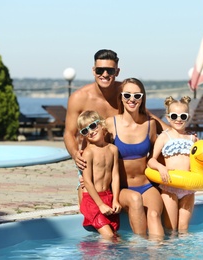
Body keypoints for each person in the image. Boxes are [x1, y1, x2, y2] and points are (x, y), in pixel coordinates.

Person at [63, 49, 168, 202]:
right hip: (93, 163)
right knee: (91, 211)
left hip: (119, 165)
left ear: (117, 71)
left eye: (110, 70)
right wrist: (75, 154)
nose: (105, 74)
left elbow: (149, 118)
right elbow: (69, 133)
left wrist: (180, 133)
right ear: (93, 71)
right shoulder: (79, 98)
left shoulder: (125, 93)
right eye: (100, 70)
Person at [105, 78, 165, 239]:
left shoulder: (150, 124)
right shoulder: (111, 124)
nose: (132, 99)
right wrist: (84, 179)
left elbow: (161, 150)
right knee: (135, 199)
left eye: (137, 95)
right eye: (127, 95)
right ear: (121, 97)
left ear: (142, 98)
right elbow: (96, 152)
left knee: (153, 215)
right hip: (123, 189)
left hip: (146, 185)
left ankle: (159, 253)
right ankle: (140, 250)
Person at [147, 96, 203, 232]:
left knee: (184, 228)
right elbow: (151, 160)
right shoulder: (164, 137)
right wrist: (160, 167)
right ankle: (171, 252)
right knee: (171, 228)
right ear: (168, 118)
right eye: (174, 116)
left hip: (188, 189)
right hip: (170, 187)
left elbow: (199, 161)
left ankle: (183, 253)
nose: (178, 119)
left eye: (183, 116)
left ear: (188, 117)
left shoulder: (193, 138)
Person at [77, 110, 122, 239]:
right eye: (85, 131)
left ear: (101, 124)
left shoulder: (113, 150)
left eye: (93, 126)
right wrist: (100, 205)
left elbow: (115, 176)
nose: (91, 131)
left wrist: (116, 199)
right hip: (92, 200)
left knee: (115, 236)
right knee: (109, 236)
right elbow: (87, 181)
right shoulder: (88, 152)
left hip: (108, 196)